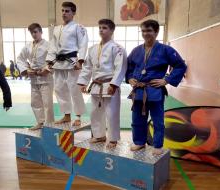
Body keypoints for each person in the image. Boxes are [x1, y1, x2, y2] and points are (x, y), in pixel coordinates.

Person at [125, 19, 187, 155]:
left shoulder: (166, 50)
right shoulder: (136, 51)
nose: (146, 33)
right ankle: (139, 142)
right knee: (137, 119)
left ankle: (157, 145)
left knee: (158, 120)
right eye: (143, 31)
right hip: (138, 90)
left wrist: (167, 80)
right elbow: (128, 67)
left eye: (149, 31)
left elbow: (180, 65)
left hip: (154, 90)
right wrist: (129, 78)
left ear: (156, 32)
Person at [78, 19, 127, 148]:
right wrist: (83, 82)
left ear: (111, 30)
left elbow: (120, 67)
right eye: (100, 27)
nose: (101, 30)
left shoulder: (117, 48)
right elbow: (87, 67)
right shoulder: (93, 48)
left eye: (104, 28)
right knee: (95, 112)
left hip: (109, 85)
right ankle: (99, 135)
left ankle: (113, 138)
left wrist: (114, 84)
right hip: (96, 85)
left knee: (112, 113)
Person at [46, 1, 87, 126]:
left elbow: (83, 44)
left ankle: (78, 116)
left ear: (73, 13)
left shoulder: (78, 27)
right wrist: (50, 61)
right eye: (63, 11)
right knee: (59, 89)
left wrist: (80, 61)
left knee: (74, 89)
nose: (64, 13)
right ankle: (67, 115)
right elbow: (53, 46)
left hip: (72, 62)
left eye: (67, 11)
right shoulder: (57, 29)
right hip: (58, 63)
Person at [17, 23, 54, 130]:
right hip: (33, 78)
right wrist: (26, 69)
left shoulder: (48, 45)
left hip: (45, 77)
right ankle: (40, 122)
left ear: (41, 32)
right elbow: (20, 59)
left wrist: (47, 69)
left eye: (35, 32)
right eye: (31, 32)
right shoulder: (28, 46)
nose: (33, 34)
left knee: (47, 103)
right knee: (35, 102)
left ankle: (49, 125)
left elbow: (53, 59)